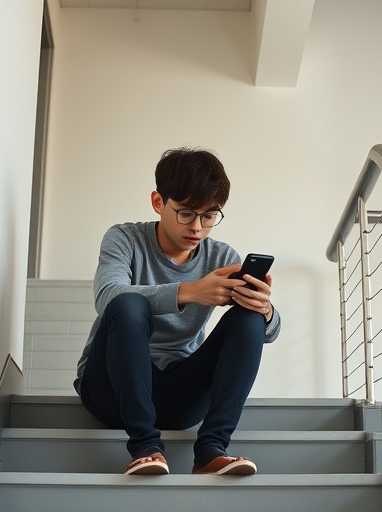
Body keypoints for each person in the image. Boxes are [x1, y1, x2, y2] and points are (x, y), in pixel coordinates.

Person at [73, 147, 281, 476]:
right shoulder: (124, 238)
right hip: (111, 391)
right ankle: (145, 447)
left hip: (180, 396)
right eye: (185, 213)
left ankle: (211, 450)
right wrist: (191, 291)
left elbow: (266, 332)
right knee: (128, 303)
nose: (197, 227)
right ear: (158, 202)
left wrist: (266, 311)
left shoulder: (222, 257)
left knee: (248, 316)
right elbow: (106, 296)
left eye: (209, 216)